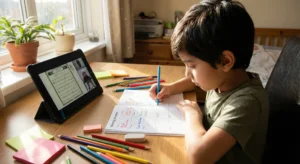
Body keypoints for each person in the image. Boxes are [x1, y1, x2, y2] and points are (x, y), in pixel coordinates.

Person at [149, 0, 269, 163]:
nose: (187, 73)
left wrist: (192, 115)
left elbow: (199, 157)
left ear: (225, 61)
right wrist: (171, 88)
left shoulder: (247, 103)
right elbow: (194, 81)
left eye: (191, 65)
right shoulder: (223, 78)